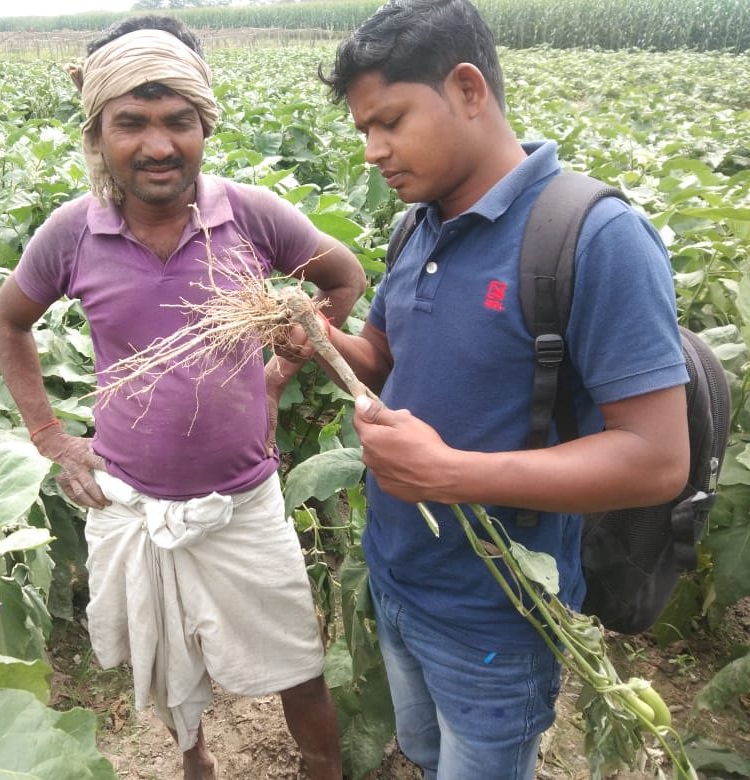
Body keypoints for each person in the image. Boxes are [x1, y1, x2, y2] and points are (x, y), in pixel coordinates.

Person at [283, 0, 691, 777]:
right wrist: (324, 343)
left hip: (497, 614)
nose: (373, 151)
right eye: (363, 129)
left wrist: (450, 474)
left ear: (469, 89)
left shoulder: (593, 237)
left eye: (390, 121)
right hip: (399, 579)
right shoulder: (418, 222)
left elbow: (655, 459)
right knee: (426, 750)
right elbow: (385, 354)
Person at [0, 15, 365, 780]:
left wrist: (287, 362)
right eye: (132, 123)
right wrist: (52, 439)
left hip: (244, 498)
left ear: (204, 127)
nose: (158, 146)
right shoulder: (71, 234)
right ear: (98, 133)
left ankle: (321, 768)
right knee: (164, 663)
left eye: (178, 122)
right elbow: (8, 322)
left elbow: (344, 277)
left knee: (296, 658)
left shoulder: (250, 215)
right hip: (130, 501)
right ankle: (195, 764)